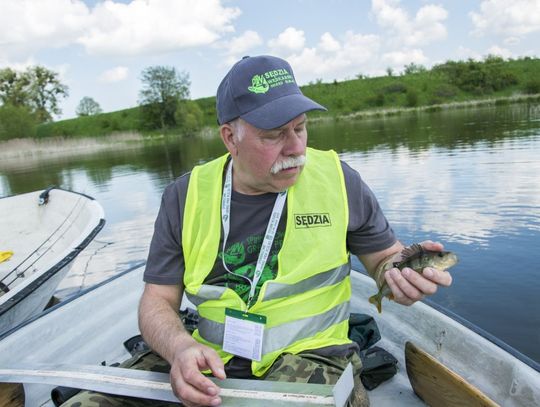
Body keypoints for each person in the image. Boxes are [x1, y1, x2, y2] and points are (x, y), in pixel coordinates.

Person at [62, 55, 452, 407]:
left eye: (301, 128)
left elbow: (385, 259)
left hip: (313, 356)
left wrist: (400, 277)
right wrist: (179, 347)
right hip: (207, 355)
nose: (295, 147)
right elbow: (157, 301)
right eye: (273, 135)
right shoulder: (184, 196)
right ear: (230, 138)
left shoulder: (339, 180)